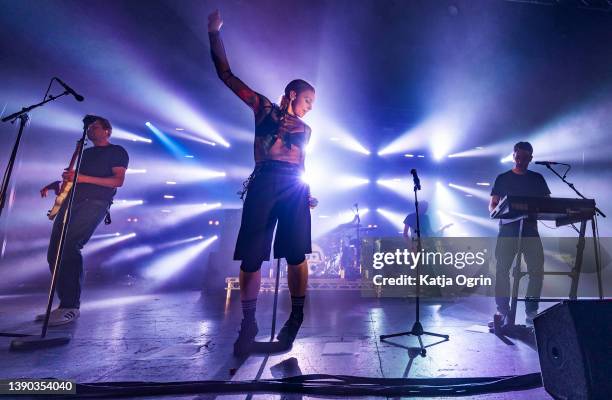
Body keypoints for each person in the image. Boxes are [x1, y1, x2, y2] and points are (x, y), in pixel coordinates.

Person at [208, 10, 317, 355]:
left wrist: (308, 191)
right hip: (265, 181)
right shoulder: (265, 109)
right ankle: (249, 321)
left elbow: (303, 162)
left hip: (293, 186)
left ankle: (296, 316)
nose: (310, 107)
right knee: (252, 258)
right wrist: (214, 34)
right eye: (307, 100)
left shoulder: (306, 130)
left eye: (313, 103)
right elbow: (226, 75)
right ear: (291, 94)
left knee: (297, 252)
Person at [39, 115, 129, 326]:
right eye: (88, 127)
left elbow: (118, 180)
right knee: (54, 252)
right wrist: (55, 185)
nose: (90, 130)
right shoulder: (85, 154)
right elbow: (72, 179)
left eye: (95, 127)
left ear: (107, 130)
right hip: (71, 201)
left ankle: (71, 306)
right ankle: (63, 306)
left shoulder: (117, 151)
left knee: (70, 245)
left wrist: (81, 178)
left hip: (95, 202)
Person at [489, 141, 550, 326]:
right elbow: (493, 203)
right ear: (513, 155)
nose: (520, 160)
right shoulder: (503, 178)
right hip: (508, 230)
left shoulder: (537, 178)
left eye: (525, 157)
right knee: (502, 271)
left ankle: (531, 312)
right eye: (518, 156)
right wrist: (494, 211)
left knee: (536, 271)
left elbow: (547, 203)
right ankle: (502, 309)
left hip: (530, 231)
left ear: (530, 158)